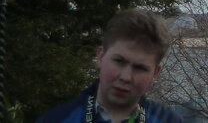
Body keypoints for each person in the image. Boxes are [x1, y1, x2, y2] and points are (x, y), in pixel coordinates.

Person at [35, 9, 183, 123]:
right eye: (119, 61)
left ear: (155, 73)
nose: (125, 77)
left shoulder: (169, 120)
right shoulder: (57, 119)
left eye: (140, 68)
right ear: (100, 56)